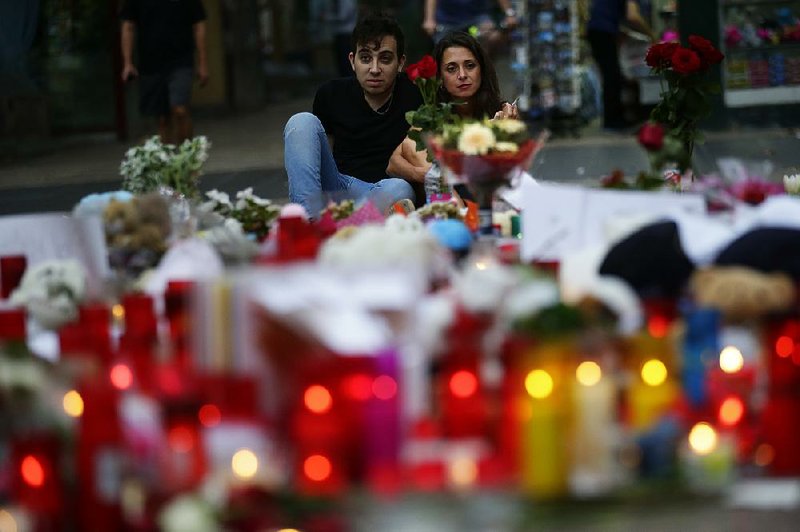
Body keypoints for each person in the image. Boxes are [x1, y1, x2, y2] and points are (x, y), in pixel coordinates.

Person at [284, 11, 423, 217]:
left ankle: (347, 221)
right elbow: (319, 159)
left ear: (400, 63)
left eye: (385, 59)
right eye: (366, 58)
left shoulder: (415, 95)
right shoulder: (331, 94)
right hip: (340, 188)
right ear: (352, 60)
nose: (374, 69)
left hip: (386, 192)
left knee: (400, 189)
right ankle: (309, 224)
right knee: (301, 121)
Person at [387, 31, 517, 187]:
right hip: (448, 191)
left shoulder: (504, 111)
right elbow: (393, 164)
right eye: (451, 68)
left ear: (481, 71)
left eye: (470, 66)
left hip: (490, 193)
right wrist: (429, 175)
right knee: (410, 146)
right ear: (440, 78)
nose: (462, 75)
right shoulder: (433, 116)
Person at [120, 0, 208, 145]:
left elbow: (199, 25)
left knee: (180, 109)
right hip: (151, 64)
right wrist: (127, 63)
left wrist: (203, 63)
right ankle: (168, 162)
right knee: (162, 118)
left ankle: (188, 156)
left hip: (181, 61)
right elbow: (128, 26)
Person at [587, 0, 655, 131]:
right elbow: (633, 16)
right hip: (603, 31)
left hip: (598, 30)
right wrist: (652, 35)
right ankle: (613, 120)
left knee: (611, 75)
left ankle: (614, 118)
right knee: (612, 76)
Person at [423, 0, 518, 44]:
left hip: (476, 19)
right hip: (448, 22)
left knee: (490, 36)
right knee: (444, 48)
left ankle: (486, 72)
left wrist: (509, 14)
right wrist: (429, 19)